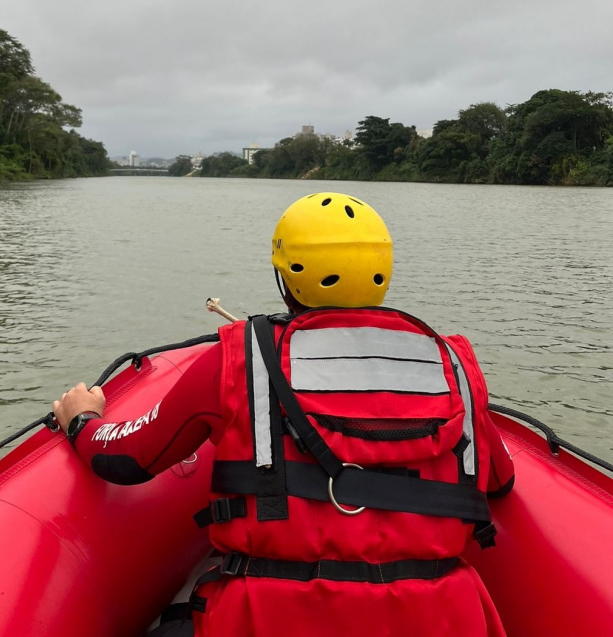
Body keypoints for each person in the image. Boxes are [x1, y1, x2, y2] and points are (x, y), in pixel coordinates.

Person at [53, 193, 515, 637]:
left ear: (286, 278)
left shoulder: (237, 359)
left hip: (273, 616)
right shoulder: (454, 366)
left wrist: (82, 420)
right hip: (437, 619)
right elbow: (499, 481)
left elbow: (127, 459)